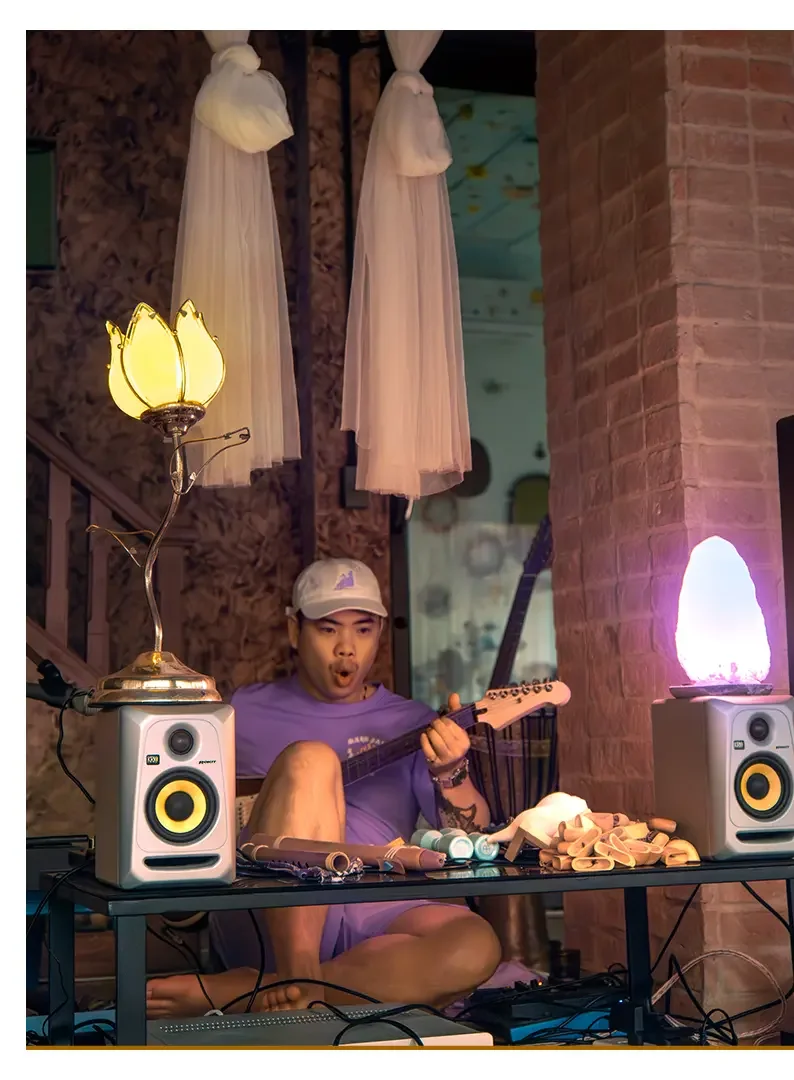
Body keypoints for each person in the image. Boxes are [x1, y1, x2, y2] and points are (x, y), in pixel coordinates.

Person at [147, 557, 501, 1018]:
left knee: (475, 945)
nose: (347, 650)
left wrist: (450, 770)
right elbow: (179, 813)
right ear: (295, 631)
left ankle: (259, 993)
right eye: (328, 629)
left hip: (372, 903)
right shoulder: (241, 713)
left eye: (363, 630)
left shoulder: (411, 721)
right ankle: (296, 976)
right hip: (268, 904)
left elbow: (470, 837)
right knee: (312, 759)